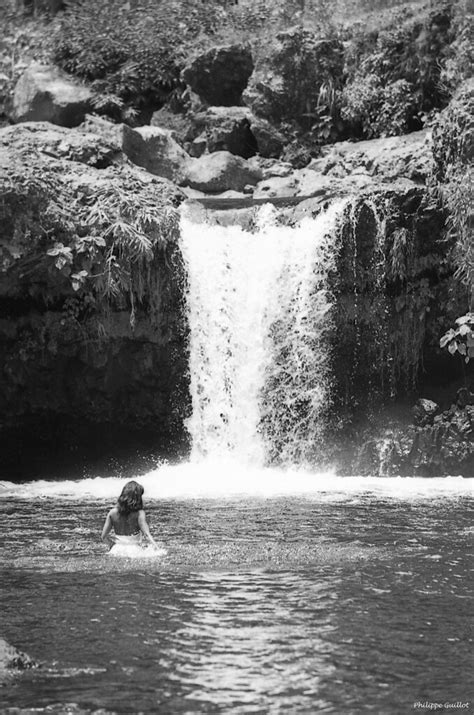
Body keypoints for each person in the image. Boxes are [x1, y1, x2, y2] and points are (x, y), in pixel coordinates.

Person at [101, 480, 163, 555]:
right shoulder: (140, 514)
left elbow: (103, 537)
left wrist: (113, 546)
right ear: (137, 498)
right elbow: (146, 534)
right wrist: (158, 550)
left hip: (116, 550)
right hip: (134, 551)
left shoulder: (112, 513)